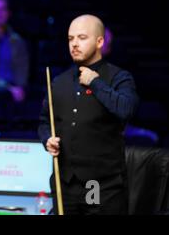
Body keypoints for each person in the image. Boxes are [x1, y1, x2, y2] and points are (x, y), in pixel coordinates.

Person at [38, 14, 139, 215]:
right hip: (64, 183)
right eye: (70, 39)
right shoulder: (59, 82)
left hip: (101, 186)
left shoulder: (119, 78)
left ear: (100, 41)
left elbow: (127, 109)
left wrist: (96, 83)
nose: (74, 44)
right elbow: (44, 121)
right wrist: (47, 138)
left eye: (82, 38)